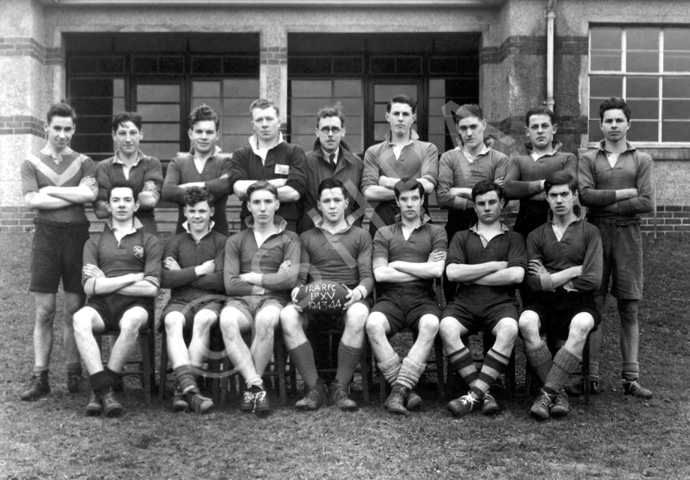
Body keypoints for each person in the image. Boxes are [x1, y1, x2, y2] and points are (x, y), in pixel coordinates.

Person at [19, 102, 98, 401]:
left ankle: (73, 373)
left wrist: (49, 192)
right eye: (57, 128)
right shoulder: (31, 162)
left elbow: (90, 195)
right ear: (46, 128)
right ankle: (40, 377)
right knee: (45, 311)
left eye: (68, 129)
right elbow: (31, 202)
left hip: (78, 237)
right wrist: (70, 196)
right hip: (46, 238)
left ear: (74, 130)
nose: (62, 134)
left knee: (74, 310)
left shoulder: (85, 162)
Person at [578, 97, 654, 399]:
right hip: (595, 234)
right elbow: (585, 197)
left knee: (629, 306)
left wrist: (606, 199)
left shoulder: (641, 159)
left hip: (628, 236)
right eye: (607, 121)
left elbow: (647, 202)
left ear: (628, 124)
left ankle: (631, 377)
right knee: (593, 305)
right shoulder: (589, 158)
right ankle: (591, 374)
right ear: (600, 125)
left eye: (618, 121)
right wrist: (624, 194)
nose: (613, 126)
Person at [281, 178, 373, 411]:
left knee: (360, 313)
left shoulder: (361, 235)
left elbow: (367, 276)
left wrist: (358, 292)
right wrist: (296, 292)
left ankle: (340, 387)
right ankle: (315, 388)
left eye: (336, 200)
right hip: (316, 300)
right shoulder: (307, 237)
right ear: (319, 206)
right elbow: (301, 278)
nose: (332, 206)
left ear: (346, 203)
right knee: (288, 316)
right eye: (326, 201)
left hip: (348, 298)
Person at [519, 171, 602, 420]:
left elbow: (593, 279)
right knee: (525, 321)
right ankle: (558, 393)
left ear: (575, 196)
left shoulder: (590, 232)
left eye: (565, 194)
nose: (559, 200)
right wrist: (573, 271)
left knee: (582, 323)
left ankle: (546, 394)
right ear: (546, 198)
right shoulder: (536, 235)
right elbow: (533, 282)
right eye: (553, 195)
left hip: (580, 302)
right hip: (544, 302)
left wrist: (551, 277)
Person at [72, 184, 162, 417]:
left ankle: (101, 389)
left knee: (132, 320)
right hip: (101, 305)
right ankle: (106, 392)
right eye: (116, 200)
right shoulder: (94, 242)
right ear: (108, 206)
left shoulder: (150, 240)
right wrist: (132, 276)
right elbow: (90, 286)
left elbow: (151, 288)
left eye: (126, 200)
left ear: (136, 205)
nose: (121, 205)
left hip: (137, 305)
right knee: (80, 318)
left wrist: (108, 281)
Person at [440, 180, 526, 417]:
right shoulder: (460, 236)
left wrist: (472, 274)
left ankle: (473, 395)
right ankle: (484, 391)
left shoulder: (514, 238)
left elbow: (516, 275)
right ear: (474, 207)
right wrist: (494, 266)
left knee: (509, 328)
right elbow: (452, 273)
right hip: (465, 302)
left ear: (502, 204)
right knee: (446, 327)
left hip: (500, 304)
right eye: (481, 204)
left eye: (491, 202)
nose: (486, 208)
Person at [365, 179, 447, 416]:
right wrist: (421, 267)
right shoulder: (384, 232)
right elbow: (380, 274)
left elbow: (436, 271)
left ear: (422, 201)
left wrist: (397, 264)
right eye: (404, 199)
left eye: (414, 198)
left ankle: (398, 389)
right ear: (397, 202)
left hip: (422, 297)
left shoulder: (437, 231)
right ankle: (404, 389)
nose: (409, 204)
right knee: (372, 324)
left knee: (431, 323)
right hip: (390, 298)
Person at [219, 181, 300, 415]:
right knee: (227, 321)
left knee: (265, 321)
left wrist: (253, 277)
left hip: (274, 301)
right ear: (249, 207)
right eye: (256, 203)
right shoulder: (235, 240)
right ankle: (256, 385)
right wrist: (273, 279)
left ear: (277, 204)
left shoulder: (290, 239)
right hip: (240, 301)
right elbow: (231, 285)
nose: (262, 208)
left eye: (267, 202)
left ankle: (251, 390)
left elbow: (290, 280)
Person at [160, 187, 227, 414]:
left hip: (211, 301)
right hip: (179, 301)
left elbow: (222, 281)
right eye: (191, 211)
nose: (196, 216)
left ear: (211, 212)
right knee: (172, 321)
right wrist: (199, 270)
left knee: (203, 318)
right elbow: (166, 279)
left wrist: (184, 274)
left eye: (201, 210)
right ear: (185, 213)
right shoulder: (174, 242)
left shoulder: (222, 242)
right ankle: (191, 389)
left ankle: (183, 389)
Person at [435, 104, 507, 303]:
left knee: (489, 271)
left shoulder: (499, 159)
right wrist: (482, 197)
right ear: (457, 128)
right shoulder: (449, 157)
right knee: (453, 272)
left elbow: (501, 198)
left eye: (473, 127)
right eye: (463, 128)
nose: (469, 133)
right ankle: (453, 318)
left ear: (483, 125)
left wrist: (461, 191)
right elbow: (442, 196)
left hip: (489, 224)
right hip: (458, 222)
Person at [361, 94, 438, 237]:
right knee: (381, 257)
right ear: (387, 116)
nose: (400, 118)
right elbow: (369, 192)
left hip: (418, 214)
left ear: (413, 118)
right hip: (382, 217)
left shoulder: (428, 149)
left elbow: (428, 186)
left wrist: (387, 182)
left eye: (405, 114)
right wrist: (412, 191)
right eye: (396, 113)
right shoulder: (374, 152)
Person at [229, 98, 307, 233]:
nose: (264, 124)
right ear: (253, 124)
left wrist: (253, 193)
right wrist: (278, 182)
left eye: (269, 119)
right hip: (249, 228)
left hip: (286, 229)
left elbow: (294, 193)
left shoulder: (294, 152)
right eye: (259, 120)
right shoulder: (241, 155)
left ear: (279, 121)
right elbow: (240, 189)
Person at [503, 106, 578, 238]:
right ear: (527, 131)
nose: (540, 131)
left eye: (544, 126)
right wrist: (547, 185)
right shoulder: (518, 161)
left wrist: (524, 191)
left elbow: (569, 186)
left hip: (559, 223)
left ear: (554, 129)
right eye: (534, 127)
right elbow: (508, 188)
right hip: (526, 224)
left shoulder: (567, 158)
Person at [162, 104, 232, 235]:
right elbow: (167, 191)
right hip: (184, 239)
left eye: (209, 132)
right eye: (199, 131)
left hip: (219, 238)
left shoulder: (225, 162)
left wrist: (188, 186)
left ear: (217, 135)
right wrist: (212, 188)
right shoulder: (178, 163)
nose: (204, 137)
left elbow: (226, 186)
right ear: (190, 134)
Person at [94, 112, 163, 235]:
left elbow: (150, 200)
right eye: (122, 133)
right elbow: (100, 211)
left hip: (145, 228)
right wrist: (138, 194)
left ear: (140, 134)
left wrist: (114, 200)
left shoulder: (151, 163)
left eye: (133, 133)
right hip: (114, 230)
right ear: (114, 135)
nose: (128, 139)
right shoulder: (103, 167)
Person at [300, 105, 365, 232]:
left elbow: (361, 205)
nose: (330, 134)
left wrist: (347, 224)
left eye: (335, 129)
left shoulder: (356, 163)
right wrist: (320, 224)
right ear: (317, 132)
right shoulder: (305, 161)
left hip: (349, 235)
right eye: (325, 129)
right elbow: (302, 203)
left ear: (343, 131)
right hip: (313, 233)